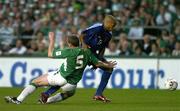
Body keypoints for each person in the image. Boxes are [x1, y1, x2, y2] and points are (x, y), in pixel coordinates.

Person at [4, 32, 116, 104]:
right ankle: (46, 100)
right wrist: (108, 65)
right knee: (70, 93)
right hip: (71, 84)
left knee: (35, 82)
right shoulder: (87, 53)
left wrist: (52, 39)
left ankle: (18, 100)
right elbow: (98, 64)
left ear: (70, 44)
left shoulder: (69, 51)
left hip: (60, 77)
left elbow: (50, 54)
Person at [41, 15, 117, 103]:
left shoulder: (109, 35)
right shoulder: (97, 27)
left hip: (93, 54)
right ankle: (46, 93)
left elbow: (103, 47)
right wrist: (84, 47)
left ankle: (98, 94)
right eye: (112, 25)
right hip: (83, 52)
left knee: (109, 69)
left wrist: (98, 59)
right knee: (70, 76)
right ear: (108, 23)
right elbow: (82, 35)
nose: (113, 27)